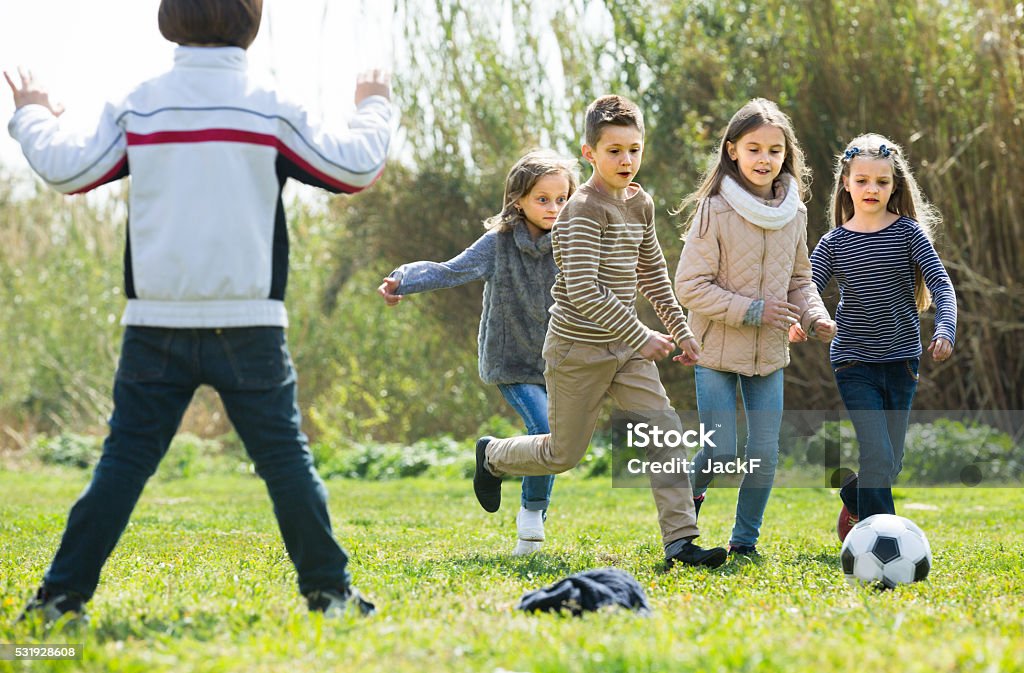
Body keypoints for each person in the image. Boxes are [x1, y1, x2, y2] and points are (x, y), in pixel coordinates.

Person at [6, 0, 392, 622]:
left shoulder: (142, 102)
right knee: (285, 462)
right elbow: (353, 169)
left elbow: (67, 170)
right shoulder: (269, 104)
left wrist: (31, 114)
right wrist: (373, 101)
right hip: (249, 326)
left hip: (156, 324)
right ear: (252, 20)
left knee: (122, 464)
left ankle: (56, 606)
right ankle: (331, 595)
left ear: (168, 19)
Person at [472, 95, 727, 569]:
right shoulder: (583, 210)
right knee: (562, 453)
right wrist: (640, 335)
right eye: (614, 150)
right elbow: (584, 291)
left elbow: (652, 272)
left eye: (634, 148)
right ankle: (494, 456)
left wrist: (682, 330)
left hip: (625, 350)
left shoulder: (640, 202)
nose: (626, 160)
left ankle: (680, 542)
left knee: (665, 432)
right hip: (576, 350)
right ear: (590, 153)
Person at [378, 149, 577, 556]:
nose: (554, 208)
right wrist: (402, 279)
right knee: (545, 431)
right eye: (543, 199)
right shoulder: (499, 244)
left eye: (562, 199)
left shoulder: (574, 241)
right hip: (512, 362)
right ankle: (532, 518)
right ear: (517, 199)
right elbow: (450, 270)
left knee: (559, 443)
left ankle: (495, 459)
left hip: (559, 364)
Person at [674, 98, 835, 557]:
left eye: (774, 150)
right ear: (732, 151)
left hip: (768, 355)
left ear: (786, 156)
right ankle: (683, 515)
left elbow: (800, 280)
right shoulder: (714, 211)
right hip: (715, 351)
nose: (764, 159)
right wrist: (753, 310)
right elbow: (689, 286)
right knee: (721, 451)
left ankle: (744, 543)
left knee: (764, 454)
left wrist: (815, 315)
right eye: (754, 149)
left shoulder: (795, 213)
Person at [802, 133, 956, 541]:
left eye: (882, 182)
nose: (872, 189)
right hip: (853, 361)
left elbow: (940, 283)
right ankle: (884, 542)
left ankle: (855, 498)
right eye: (863, 180)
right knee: (877, 453)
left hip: (902, 359)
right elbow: (808, 287)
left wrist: (945, 327)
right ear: (846, 184)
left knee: (890, 462)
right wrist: (802, 319)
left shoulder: (908, 233)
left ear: (895, 185)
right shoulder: (834, 242)